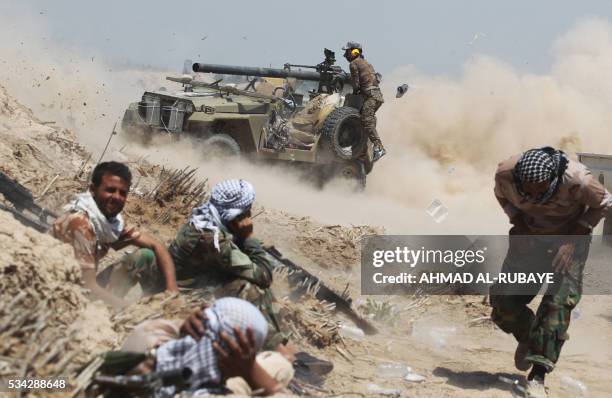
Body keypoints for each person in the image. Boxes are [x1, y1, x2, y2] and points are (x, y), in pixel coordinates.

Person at [491, 146, 612, 397]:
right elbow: (502, 197)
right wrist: (519, 223)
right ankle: (530, 337)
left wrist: (573, 238)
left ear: (553, 180)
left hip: (569, 241)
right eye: (529, 188)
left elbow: (604, 203)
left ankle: (538, 374)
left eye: (541, 187)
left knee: (557, 305)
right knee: (503, 303)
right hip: (528, 237)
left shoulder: (578, 180)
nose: (534, 193)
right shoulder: (506, 174)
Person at [116, 179, 290, 349]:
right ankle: (276, 346)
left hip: (173, 281)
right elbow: (264, 276)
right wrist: (249, 238)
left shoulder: (204, 219)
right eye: (247, 209)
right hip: (186, 296)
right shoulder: (212, 240)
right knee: (249, 288)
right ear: (237, 214)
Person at [52, 161, 179, 308]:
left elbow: (156, 245)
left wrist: (172, 289)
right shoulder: (81, 223)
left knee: (145, 255)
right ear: (93, 189)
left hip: (84, 283)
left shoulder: (108, 222)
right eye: (110, 190)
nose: (117, 197)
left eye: (122, 193)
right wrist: (131, 310)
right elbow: (87, 286)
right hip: (61, 290)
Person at [121, 297, 293, 397]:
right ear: (234, 358)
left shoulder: (146, 342)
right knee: (280, 366)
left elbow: (170, 334)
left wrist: (186, 329)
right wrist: (251, 373)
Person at [342, 41, 386, 162]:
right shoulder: (366, 62)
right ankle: (362, 150)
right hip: (376, 96)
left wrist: (354, 93)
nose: (345, 55)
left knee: (367, 121)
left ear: (355, 51)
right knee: (361, 121)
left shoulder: (354, 64)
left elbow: (356, 84)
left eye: (347, 52)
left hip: (370, 96)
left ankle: (379, 148)